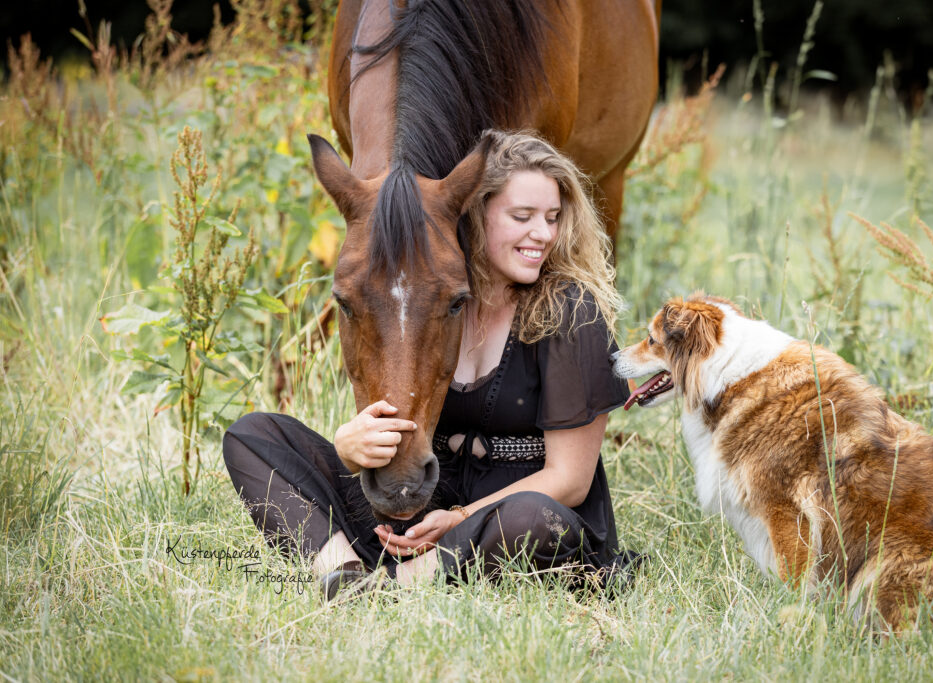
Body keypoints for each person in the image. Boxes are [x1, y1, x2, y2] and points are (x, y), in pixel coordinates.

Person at [222, 130, 634, 598]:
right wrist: (346, 445)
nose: (542, 234)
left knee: (533, 518)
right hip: (426, 507)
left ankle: (403, 585)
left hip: (514, 526)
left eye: (553, 218)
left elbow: (571, 482)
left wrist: (458, 520)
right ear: (477, 215)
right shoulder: (438, 299)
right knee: (252, 436)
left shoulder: (569, 311)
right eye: (522, 216)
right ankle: (344, 575)